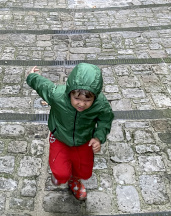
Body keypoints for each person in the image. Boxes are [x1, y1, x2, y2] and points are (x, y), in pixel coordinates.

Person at [26, 62, 114, 201]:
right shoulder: (58, 96)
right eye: (77, 98)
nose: (81, 104)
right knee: (61, 172)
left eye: (87, 100)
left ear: (95, 96)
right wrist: (32, 76)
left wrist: (98, 137)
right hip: (60, 137)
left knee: (84, 171)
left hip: (84, 139)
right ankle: (61, 177)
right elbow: (43, 86)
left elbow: (105, 119)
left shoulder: (101, 104)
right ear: (70, 92)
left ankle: (74, 180)